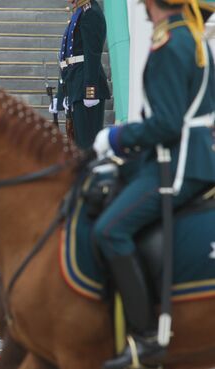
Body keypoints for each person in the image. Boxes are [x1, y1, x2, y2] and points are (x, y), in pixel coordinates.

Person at [92, 0, 215, 368]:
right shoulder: (190, 38)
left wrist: (115, 138)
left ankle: (145, 337)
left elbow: (166, 124)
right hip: (186, 155)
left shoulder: (171, 43)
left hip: (176, 164)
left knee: (110, 230)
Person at [50, 0, 110, 149]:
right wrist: (60, 96)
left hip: (85, 86)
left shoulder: (91, 13)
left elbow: (92, 54)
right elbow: (66, 60)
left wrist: (90, 92)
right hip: (75, 84)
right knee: (77, 145)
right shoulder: (79, 12)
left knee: (86, 146)